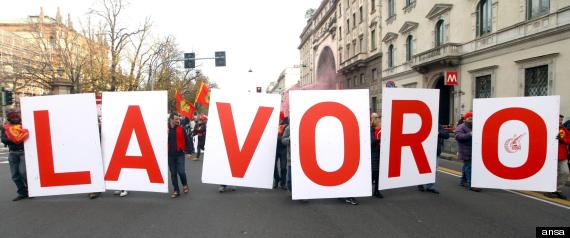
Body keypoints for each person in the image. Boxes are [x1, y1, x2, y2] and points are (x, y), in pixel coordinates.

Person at [1, 110, 30, 201]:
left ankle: (31, 190)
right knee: (15, 175)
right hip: (12, 153)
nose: (15, 119)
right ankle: (22, 193)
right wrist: (15, 138)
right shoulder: (5, 128)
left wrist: (15, 137)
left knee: (23, 172)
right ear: (9, 119)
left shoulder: (24, 126)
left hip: (23, 152)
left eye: (16, 117)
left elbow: (28, 136)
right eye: (13, 118)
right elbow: (4, 140)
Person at [417, 124, 449, 194]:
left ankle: (429, 186)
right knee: (423, 169)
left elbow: (447, 135)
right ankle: (420, 183)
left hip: (435, 152)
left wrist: (439, 133)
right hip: (425, 151)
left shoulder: (438, 126)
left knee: (434, 171)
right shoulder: (423, 124)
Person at [282, 117, 307, 203]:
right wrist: (289, 139)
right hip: (292, 159)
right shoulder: (289, 128)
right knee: (290, 179)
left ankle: (302, 194)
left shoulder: (305, 127)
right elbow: (283, 140)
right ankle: (292, 190)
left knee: (302, 178)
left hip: (303, 158)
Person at [545, 115, 570, 199]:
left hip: (562, 156)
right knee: (550, 174)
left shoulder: (563, 130)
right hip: (550, 155)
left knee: (565, 172)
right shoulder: (547, 127)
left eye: (561, 120)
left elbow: (569, 139)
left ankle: (557, 190)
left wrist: (563, 140)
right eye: (559, 120)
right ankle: (549, 190)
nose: (560, 122)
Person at [455, 112, 481, 192]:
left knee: (466, 166)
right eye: (469, 118)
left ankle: (463, 181)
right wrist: (469, 134)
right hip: (465, 150)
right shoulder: (461, 126)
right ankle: (471, 184)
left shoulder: (474, 126)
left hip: (473, 150)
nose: (471, 120)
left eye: (472, 118)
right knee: (469, 167)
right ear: (465, 119)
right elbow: (458, 136)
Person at [168, 113, 190, 198]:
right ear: (171, 120)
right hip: (170, 155)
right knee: (173, 173)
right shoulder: (165, 129)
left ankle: (185, 184)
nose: (178, 120)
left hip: (180, 154)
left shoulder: (181, 129)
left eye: (178, 119)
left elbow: (187, 140)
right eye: (176, 119)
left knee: (181, 172)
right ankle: (176, 190)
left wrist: (188, 152)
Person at [370, 113, 383, 198]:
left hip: (380, 153)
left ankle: (376, 191)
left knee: (378, 173)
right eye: (377, 118)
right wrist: (380, 140)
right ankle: (374, 190)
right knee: (375, 173)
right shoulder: (371, 129)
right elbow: (371, 142)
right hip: (374, 153)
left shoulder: (381, 129)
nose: (379, 120)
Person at [273, 112, 287, 189]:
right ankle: (277, 179)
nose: (279, 120)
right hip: (274, 148)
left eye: (280, 118)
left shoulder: (286, 126)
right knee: (273, 167)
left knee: (283, 167)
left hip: (283, 149)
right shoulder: (271, 125)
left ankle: (283, 183)